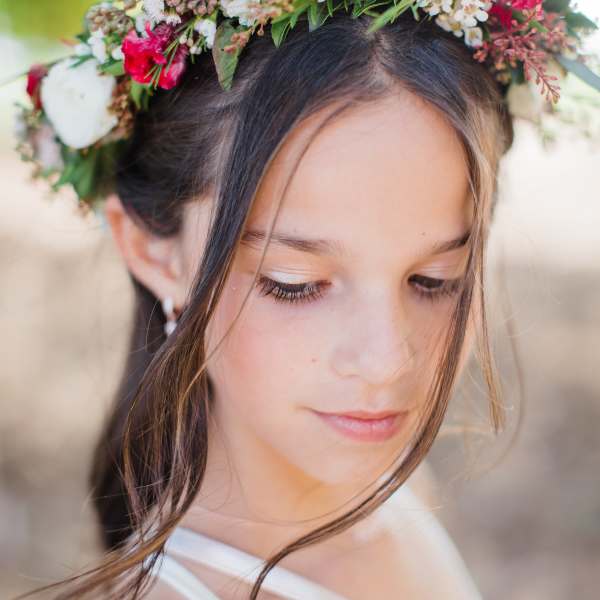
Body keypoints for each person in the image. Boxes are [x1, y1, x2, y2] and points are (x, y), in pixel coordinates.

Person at [13, 1, 598, 599]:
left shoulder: (389, 493)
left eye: (435, 279)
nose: (387, 362)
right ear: (155, 253)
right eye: (294, 283)